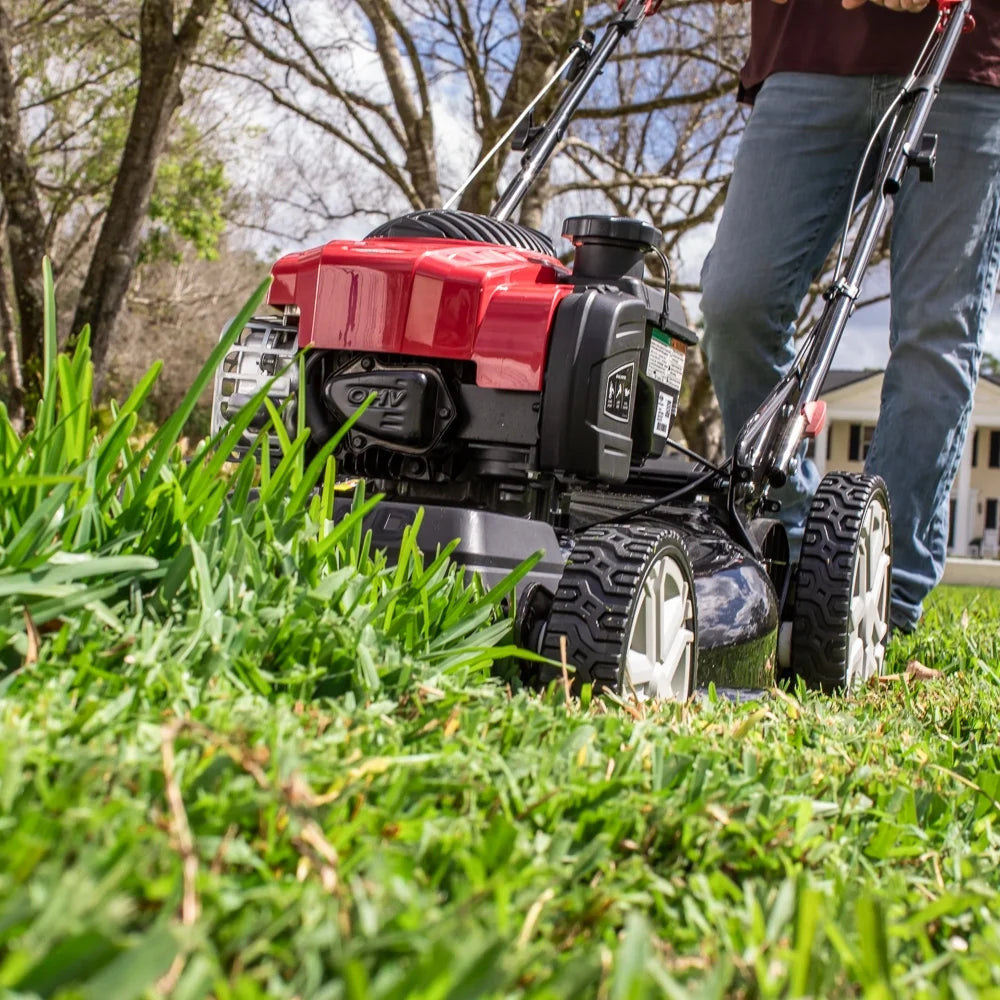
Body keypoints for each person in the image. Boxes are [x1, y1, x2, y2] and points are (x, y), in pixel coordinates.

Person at [700, 0, 1000, 633]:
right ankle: (795, 543)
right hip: (808, 45)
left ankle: (881, 594)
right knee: (738, 301)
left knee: (935, 333)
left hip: (967, 52)